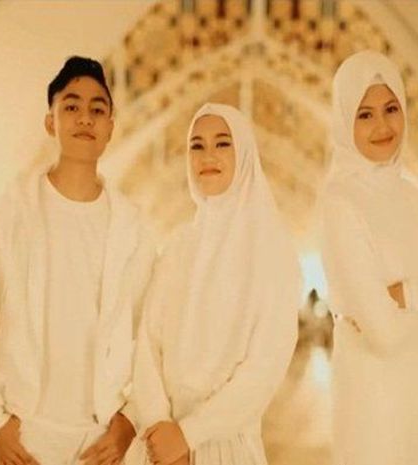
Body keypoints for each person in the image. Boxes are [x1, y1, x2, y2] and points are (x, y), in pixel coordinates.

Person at [0, 56, 155, 465]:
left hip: (103, 438)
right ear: (50, 121)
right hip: (26, 431)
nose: (85, 118)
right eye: (71, 106)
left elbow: (150, 334)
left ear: (110, 127)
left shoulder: (133, 228)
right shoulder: (12, 215)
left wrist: (129, 421)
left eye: (97, 109)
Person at [320, 50, 418, 465]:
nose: (383, 126)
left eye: (391, 109)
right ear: (345, 120)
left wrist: (405, 294)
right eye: (364, 115)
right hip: (373, 405)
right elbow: (382, 333)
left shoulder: (415, 200)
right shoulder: (340, 202)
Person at [125, 103, 301, 465]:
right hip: (158, 447)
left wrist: (189, 435)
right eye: (197, 145)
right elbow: (147, 343)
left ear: (244, 153)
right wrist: (160, 426)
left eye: (222, 143)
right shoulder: (178, 246)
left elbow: (264, 367)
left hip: (226, 444)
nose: (208, 156)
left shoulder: (272, 250)